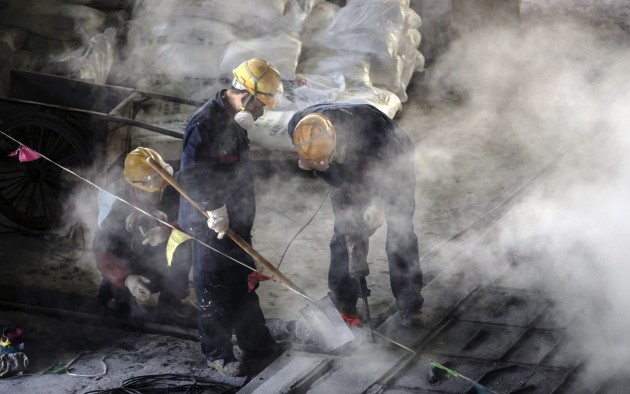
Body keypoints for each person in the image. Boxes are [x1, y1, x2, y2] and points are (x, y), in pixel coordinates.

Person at [177, 58, 288, 377]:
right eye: (260, 106)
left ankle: (257, 344)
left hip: (236, 219)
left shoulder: (237, 121)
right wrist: (215, 208)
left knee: (244, 283)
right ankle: (218, 354)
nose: (262, 113)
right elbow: (193, 174)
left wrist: (238, 213)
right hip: (208, 220)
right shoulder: (204, 123)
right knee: (212, 287)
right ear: (247, 96)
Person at [287, 103, 424, 328]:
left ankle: (410, 305)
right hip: (345, 174)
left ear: (338, 140)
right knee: (345, 233)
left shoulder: (373, 131)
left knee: (400, 235)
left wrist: (379, 204)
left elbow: (395, 170)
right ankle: (343, 304)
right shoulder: (299, 126)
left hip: (393, 171)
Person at [95, 148, 194, 322]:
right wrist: (126, 279)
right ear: (136, 186)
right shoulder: (116, 204)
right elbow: (102, 250)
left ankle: (172, 300)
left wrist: (167, 230)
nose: (160, 191)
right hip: (130, 264)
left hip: (159, 261)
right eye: (154, 189)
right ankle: (117, 295)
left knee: (184, 243)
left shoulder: (170, 189)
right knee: (115, 248)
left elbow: (193, 223)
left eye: (162, 186)